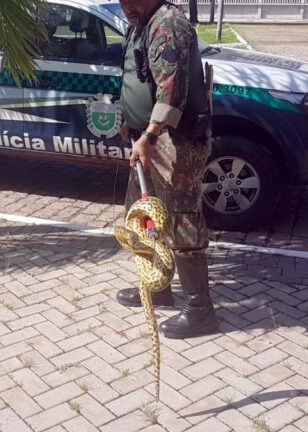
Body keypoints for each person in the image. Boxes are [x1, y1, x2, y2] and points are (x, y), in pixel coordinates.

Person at [115, 0, 218, 339]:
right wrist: (131, 123)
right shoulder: (142, 21)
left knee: (181, 220)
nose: (125, 5)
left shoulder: (167, 24)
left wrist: (148, 135)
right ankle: (158, 286)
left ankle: (199, 310)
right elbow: (140, 76)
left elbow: (171, 94)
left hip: (175, 143)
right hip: (150, 139)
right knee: (144, 214)